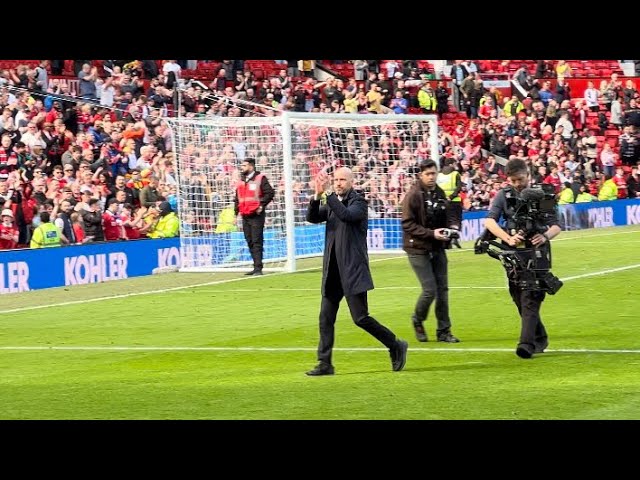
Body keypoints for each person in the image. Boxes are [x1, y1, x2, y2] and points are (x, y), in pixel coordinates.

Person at [305, 167, 408, 376]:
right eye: (335, 180)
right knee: (325, 318)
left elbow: (346, 216)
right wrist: (317, 195)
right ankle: (325, 363)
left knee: (360, 318)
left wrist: (328, 195)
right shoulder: (333, 203)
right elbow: (313, 217)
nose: (338, 183)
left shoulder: (358, 202)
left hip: (352, 270)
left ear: (351, 182)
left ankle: (395, 344)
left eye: (343, 179)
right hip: (333, 272)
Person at [483, 158, 562, 359]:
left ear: (528, 174)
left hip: (537, 253)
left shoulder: (543, 194)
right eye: (514, 180)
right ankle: (540, 337)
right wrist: (508, 238)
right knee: (518, 296)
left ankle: (526, 344)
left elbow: (556, 225)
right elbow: (490, 221)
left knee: (530, 297)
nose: (518, 183)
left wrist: (544, 236)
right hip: (514, 254)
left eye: (521, 179)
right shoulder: (503, 195)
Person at [402, 159, 461, 344]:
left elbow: (449, 212)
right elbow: (407, 224)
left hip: (437, 247)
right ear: (420, 175)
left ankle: (444, 331)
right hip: (417, 248)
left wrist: (452, 226)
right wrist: (431, 233)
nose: (431, 177)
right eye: (428, 174)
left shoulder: (438, 192)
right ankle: (417, 320)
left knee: (442, 290)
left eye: (433, 173)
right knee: (430, 290)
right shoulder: (413, 195)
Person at [234, 158, 275, 276]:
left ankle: (258, 267)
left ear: (251, 166)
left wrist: (262, 205)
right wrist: (235, 213)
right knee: (249, 240)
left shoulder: (260, 178)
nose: (242, 167)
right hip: (244, 214)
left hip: (256, 214)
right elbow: (237, 198)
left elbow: (270, 193)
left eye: (244, 165)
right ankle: (255, 265)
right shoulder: (241, 181)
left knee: (257, 240)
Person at [436, 157, 463, 248]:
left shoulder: (439, 174)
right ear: (451, 164)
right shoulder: (455, 174)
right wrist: (451, 197)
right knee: (455, 220)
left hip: (442, 201)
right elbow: (459, 187)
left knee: (445, 220)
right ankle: (454, 238)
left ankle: (447, 242)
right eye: (455, 163)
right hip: (454, 201)